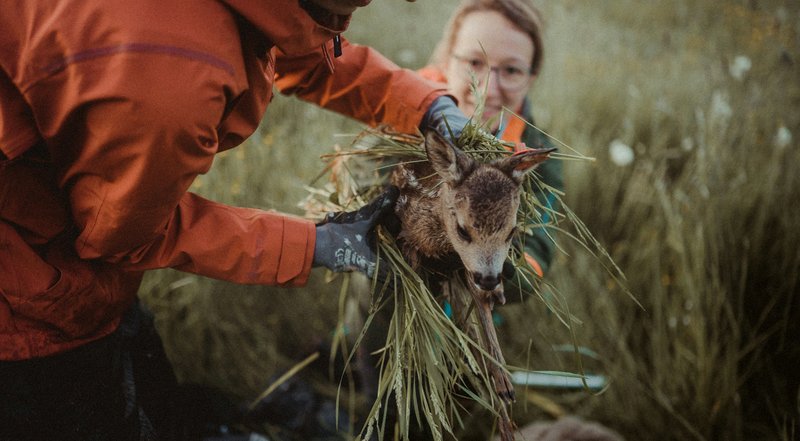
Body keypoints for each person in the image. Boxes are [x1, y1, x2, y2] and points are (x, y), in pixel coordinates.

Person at [0, 1, 471, 440]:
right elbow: (118, 231)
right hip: (27, 304)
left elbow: (290, 48)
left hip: (67, 264)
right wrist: (317, 243)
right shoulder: (171, 77)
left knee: (158, 400)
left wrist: (425, 104)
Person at [419, 0, 564, 300]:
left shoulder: (539, 160)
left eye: (511, 70)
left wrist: (499, 273)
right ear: (446, 61)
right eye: (474, 63)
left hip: (469, 321)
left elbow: (535, 259)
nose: (487, 90)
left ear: (530, 78)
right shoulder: (399, 117)